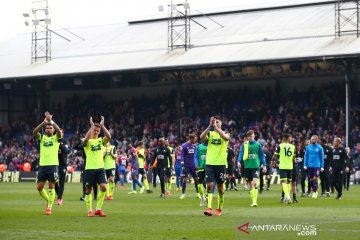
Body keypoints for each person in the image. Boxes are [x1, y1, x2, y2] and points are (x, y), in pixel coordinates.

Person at [200, 115, 230, 216]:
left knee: (220, 187)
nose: (215, 123)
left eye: (217, 122)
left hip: (221, 164)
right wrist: (209, 126)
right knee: (210, 185)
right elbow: (201, 137)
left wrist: (217, 129)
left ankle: (219, 208)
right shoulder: (210, 133)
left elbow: (225, 138)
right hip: (210, 164)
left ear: (221, 123)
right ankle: (209, 208)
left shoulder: (225, 133)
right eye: (214, 122)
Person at [33, 111, 62, 215]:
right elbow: (34, 132)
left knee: (51, 187)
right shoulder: (42, 138)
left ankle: (49, 207)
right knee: (39, 187)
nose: (48, 129)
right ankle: (48, 200)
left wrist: (51, 121)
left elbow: (59, 131)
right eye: (47, 128)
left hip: (53, 165)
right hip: (42, 166)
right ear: (45, 129)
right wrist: (44, 122)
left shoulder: (56, 138)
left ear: (53, 130)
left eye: (50, 128)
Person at [83, 116, 111, 217]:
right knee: (88, 189)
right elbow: (85, 140)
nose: (95, 132)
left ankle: (98, 209)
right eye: (94, 130)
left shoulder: (100, 141)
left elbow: (109, 137)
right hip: (89, 168)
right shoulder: (87, 141)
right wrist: (91, 126)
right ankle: (89, 210)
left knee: (103, 187)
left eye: (97, 131)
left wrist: (102, 126)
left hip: (100, 168)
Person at [238, 130, 267, 207]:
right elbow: (241, 153)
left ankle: (255, 202)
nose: (250, 137)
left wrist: (264, 165)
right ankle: (253, 201)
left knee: (255, 183)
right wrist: (238, 161)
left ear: (254, 136)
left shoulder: (258, 145)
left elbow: (261, 156)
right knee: (250, 185)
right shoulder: (245, 144)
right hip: (247, 167)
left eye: (251, 136)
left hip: (255, 167)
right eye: (248, 136)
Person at [271, 132, 295, 204]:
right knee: (288, 182)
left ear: (284, 139)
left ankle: (287, 197)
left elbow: (275, 156)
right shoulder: (293, 146)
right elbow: (293, 157)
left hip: (283, 166)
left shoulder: (280, 146)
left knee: (284, 182)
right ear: (288, 139)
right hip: (290, 166)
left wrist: (273, 161)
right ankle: (286, 198)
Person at [179, 134, 198, 199]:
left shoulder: (194, 146)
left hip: (192, 165)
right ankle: (183, 194)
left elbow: (194, 156)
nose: (195, 140)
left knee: (196, 179)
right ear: (191, 139)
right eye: (194, 139)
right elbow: (182, 155)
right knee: (185, 179)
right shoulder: (184, 145)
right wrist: (182, 163)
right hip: (186, 165)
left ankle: (197, 193)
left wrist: (196, 164)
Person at [55, 129, 67, 205]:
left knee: (61, 182)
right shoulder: (53, 140)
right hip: (54, 164)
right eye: (57, 132)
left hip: (62, 164)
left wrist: (59, 144)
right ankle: (60, 196)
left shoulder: (64, 141)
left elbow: (65, 150)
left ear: (62, 134)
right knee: (54, 182)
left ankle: (59, 198)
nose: (59, 133)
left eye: (60, 132)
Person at [194, 138, 207, 206]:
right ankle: (202, 197)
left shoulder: (211, 146)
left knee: (209, 184)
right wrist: (196, 164)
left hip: (209, 167)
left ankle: (208, 198)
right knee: (199, 185)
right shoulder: (199, 146)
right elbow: (195, 157)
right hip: (201, 167)